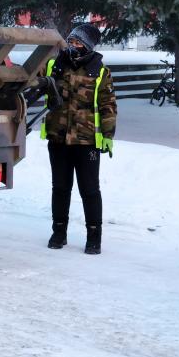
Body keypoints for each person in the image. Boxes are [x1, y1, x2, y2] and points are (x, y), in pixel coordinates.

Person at [39, 23, 116, 254]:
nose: (72, 46)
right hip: (58, 138)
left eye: (78, 42)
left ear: (88, 46)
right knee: (60, 188)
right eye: (71, 41)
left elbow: (108, 105)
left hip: (87, 141)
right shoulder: (54, 65)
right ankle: (58, 232)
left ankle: (94, 237)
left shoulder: (100, 71)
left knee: (89, 190)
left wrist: (108, 135)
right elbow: (30, 77)